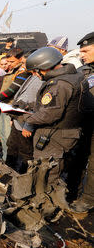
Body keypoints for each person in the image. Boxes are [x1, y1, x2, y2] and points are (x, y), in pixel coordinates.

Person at [21, 47, 85, 193]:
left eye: (34, 71)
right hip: (64, 135)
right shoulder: (74, 76)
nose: (35, 75)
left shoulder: (59, 84)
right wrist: (28, 105)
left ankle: (46, 210)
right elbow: (56, 105)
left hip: (54, 137)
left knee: (46, 176)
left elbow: (49, 114)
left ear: (43, 67)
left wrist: (22, 116)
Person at [4, 49, 42, 173]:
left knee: (26, 153)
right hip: (18, 121)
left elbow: (38, 106)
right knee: (12, 148)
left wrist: (28, 125)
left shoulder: (41, 79)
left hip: (26, 124)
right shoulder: (30, 76)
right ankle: (9, 173)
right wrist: (13, 118)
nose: (23, 65)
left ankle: (24, 178)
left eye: (26, 63)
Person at [70, 32, 94, 213]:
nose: (81, 55)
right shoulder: (84, 71)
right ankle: (72, 192)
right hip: (82, 123)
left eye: (85, 50)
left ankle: (88, 199)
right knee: (77, 158)